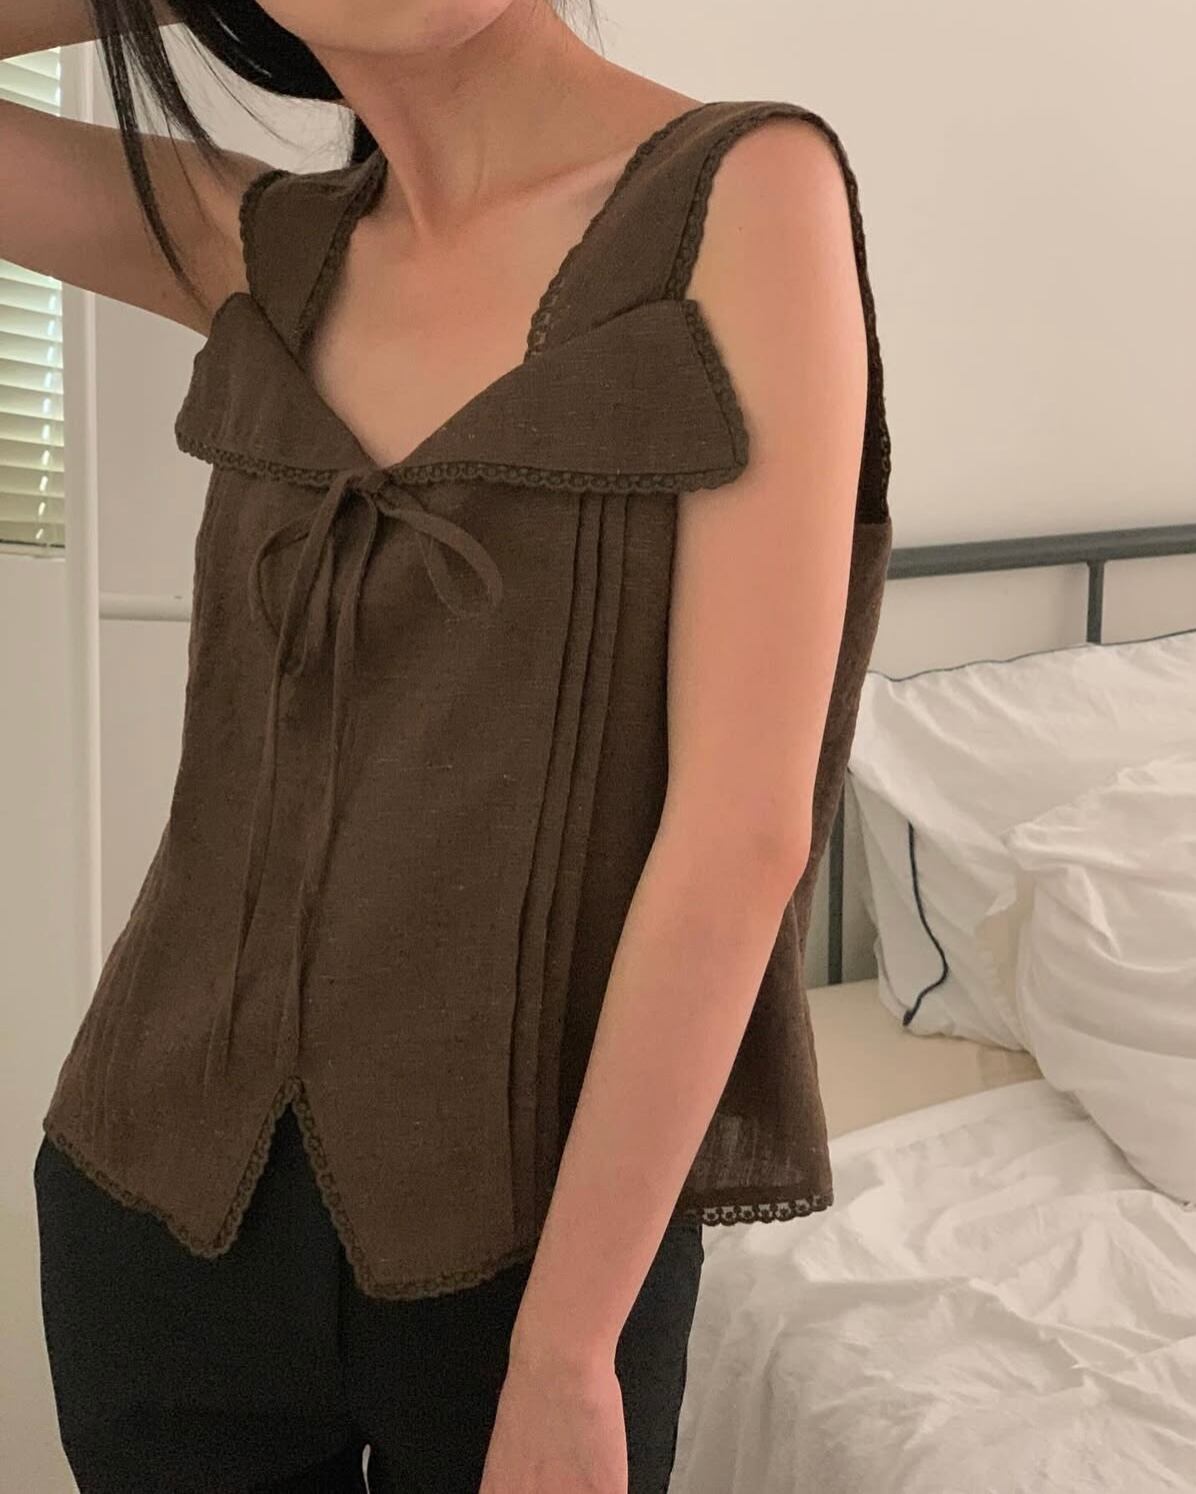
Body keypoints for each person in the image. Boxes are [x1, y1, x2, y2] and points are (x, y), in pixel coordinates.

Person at [8, 2, 890, 1490]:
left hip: (535, 1268)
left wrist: (568, 1353)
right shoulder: (263, 244)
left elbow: (741, 832)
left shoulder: (743, 193)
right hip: (155, 1206)